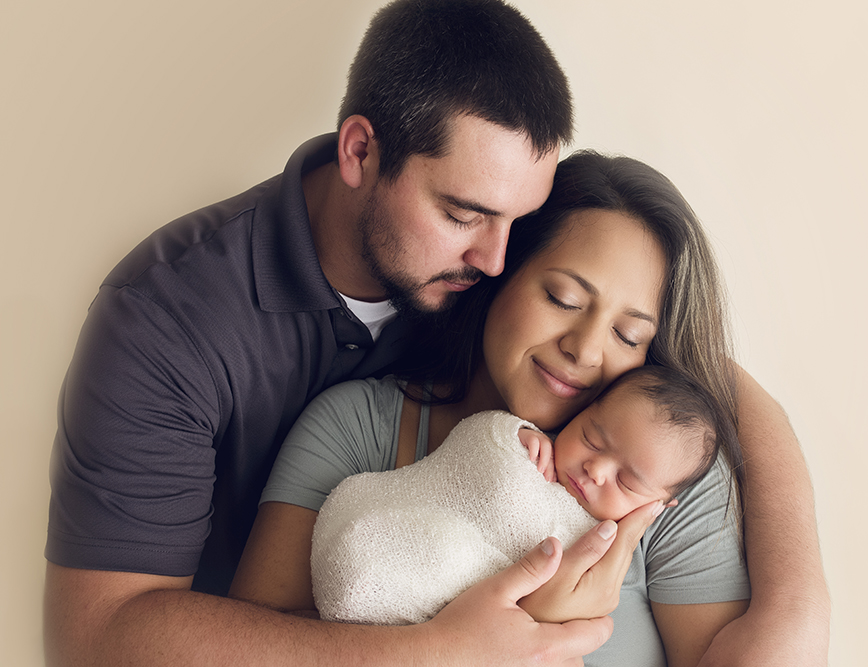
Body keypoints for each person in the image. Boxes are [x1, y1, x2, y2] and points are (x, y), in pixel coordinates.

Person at [43, 2, 621, 665]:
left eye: (519, 221)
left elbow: (664, 341)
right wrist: (431, 653)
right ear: (360, 150)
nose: (496, 259)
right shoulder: (164, 318)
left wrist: (771, 616)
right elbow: (92, 638)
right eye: (464, 214)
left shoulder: (491, 266)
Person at [231, 151, 751, 667]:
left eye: (627, 334)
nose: (586, 351)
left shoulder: (667, 469)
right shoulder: (355, 429)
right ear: (500, 271)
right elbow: (246, 648)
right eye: (563, 298)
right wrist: (458, 645)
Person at [309, 364, 737, 628]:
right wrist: (514, 435)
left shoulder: (607, 557)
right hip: (370, 540)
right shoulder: (531, 449)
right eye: (591, 437)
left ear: (657, 507)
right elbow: (480, 449)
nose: (596, 469)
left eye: (627, 482)